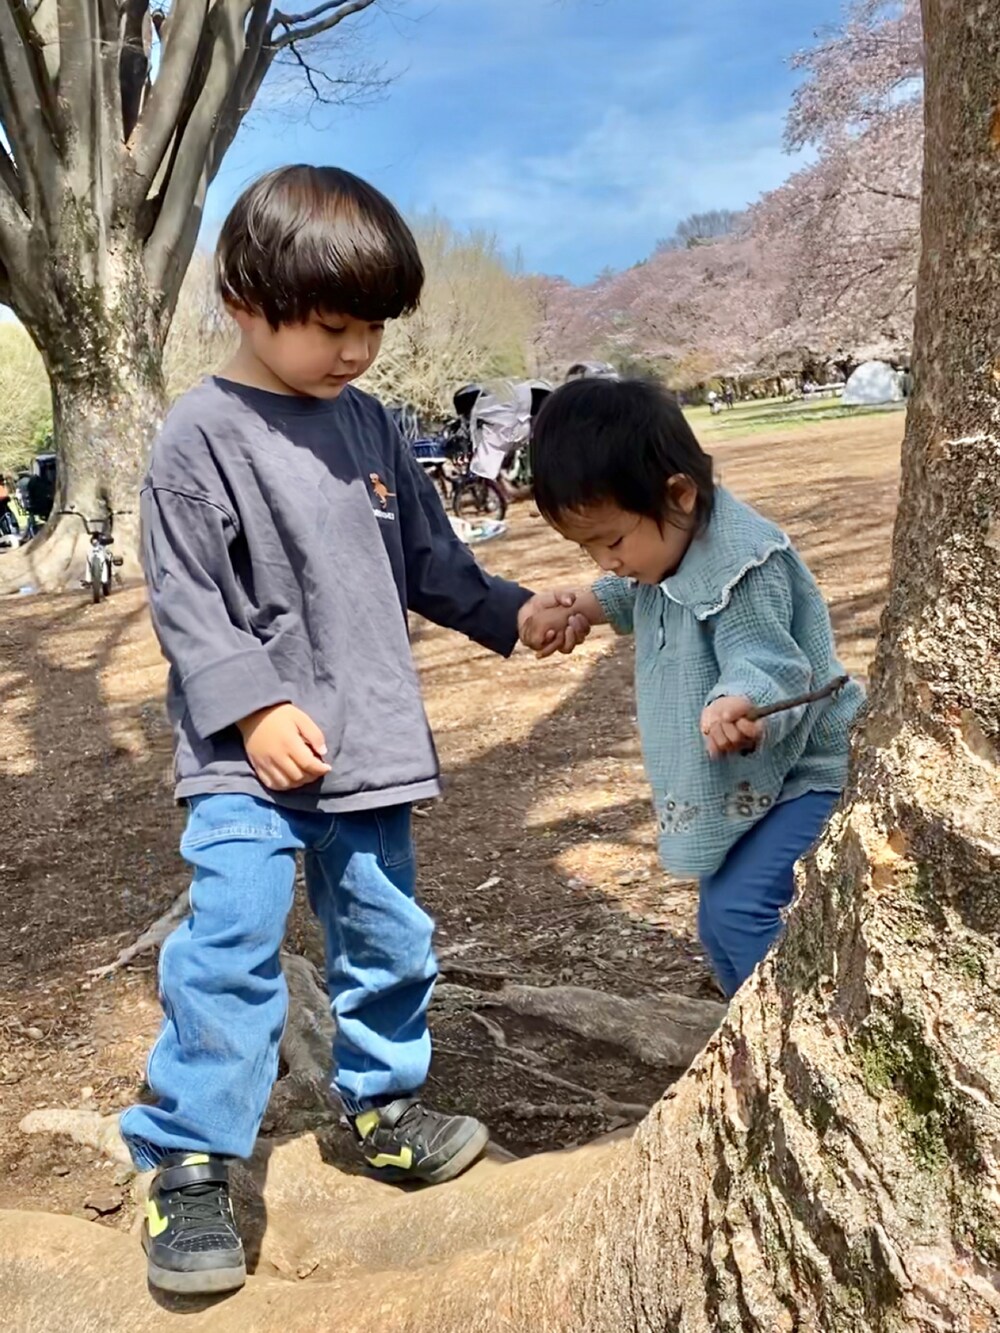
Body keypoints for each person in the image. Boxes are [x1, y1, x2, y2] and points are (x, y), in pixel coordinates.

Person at [121, 164, 587, 1297]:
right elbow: (186, 600)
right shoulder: (199, 437)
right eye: (332, 327)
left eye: (372, 328)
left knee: (387, 938)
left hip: (370, 748)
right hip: (246, 764)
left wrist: (512, 611)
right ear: (244, 301)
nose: (357, 352)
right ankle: (185, 1159)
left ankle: (380, 1107)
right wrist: (257, 706)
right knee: (228, 944)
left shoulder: (374, 428)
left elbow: (431, 564)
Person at [520, 377, 863, 1002]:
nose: (606, 562)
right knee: (716, 918)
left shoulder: (741, 565)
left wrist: (738, 702)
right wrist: (577, 606)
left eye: (612, 541)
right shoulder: (670, 546)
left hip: (809, 770)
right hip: (768, 779)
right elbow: (634, 591)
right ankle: (747, 1024)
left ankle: (793, 1025)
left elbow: (769, 661)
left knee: (739, 910)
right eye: (586, 548)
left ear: (678, 493)